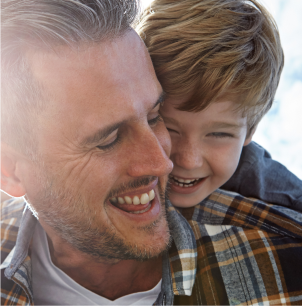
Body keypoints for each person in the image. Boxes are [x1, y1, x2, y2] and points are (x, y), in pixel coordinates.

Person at [0, 1, 302, 306]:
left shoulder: (283, 257)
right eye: (109, 139)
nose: (166, 162)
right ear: (9, 169)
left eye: (154, 116)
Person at [137, 0, 302, 210]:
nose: (189, 161)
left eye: (219, 134)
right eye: (168, 128)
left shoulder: (285, 202)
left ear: (250, 131)